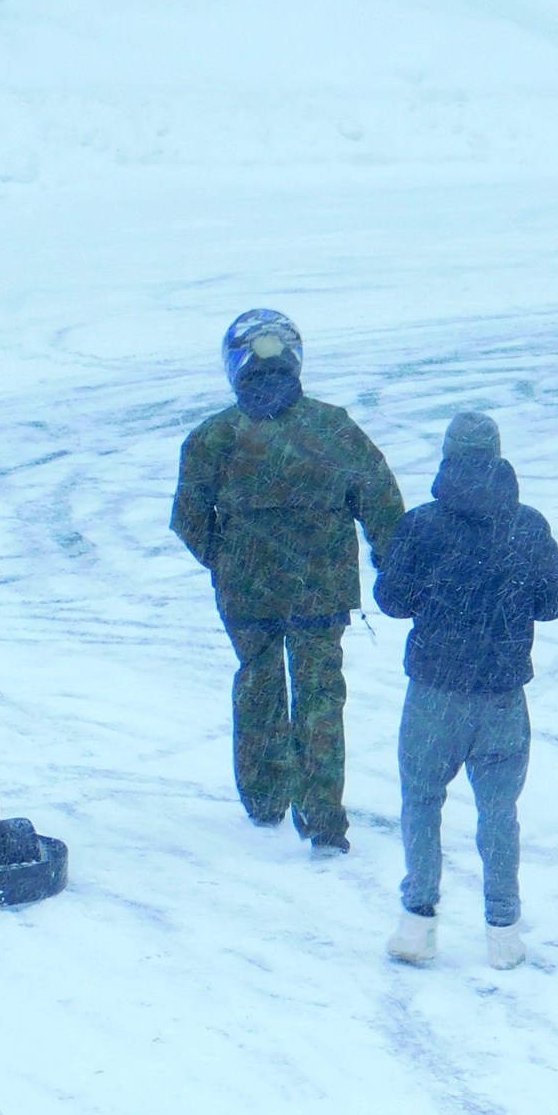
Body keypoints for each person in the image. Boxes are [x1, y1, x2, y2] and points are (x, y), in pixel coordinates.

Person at [172, 311, 405, 853]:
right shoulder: (333, 427)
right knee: (321, 694)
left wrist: (227, 559)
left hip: (246, 594)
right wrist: (391, 560)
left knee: (258, 683)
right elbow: (381, 502)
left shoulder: (212, 438)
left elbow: (187, 519)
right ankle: (322, 815)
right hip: (321, 593)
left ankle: (264, 797)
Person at [372, 412, 558, 970]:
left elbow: (392, 600)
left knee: (421, 801)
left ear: (446, 455)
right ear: (498, 455)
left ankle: (417, 921)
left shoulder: (421, 526)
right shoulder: (527, 526)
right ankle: (503, 931)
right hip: (503, 692)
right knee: (499, 812)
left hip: (435, 689)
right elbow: (553, 602)